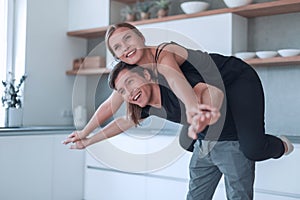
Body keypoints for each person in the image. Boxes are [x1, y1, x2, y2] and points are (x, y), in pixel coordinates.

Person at [64, 22, 293, 159]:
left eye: (128, 39)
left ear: (141, 37)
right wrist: (86, 134)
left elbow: (174, 80)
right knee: (189, 143)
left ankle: (281, 145)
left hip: (235, 80)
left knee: (252, 149)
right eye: (118, 47)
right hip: (210, 97)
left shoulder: (164, 53)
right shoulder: (132, 74)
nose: (126, 47)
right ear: (116, 56)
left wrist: (193, 111)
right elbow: (111, 108)